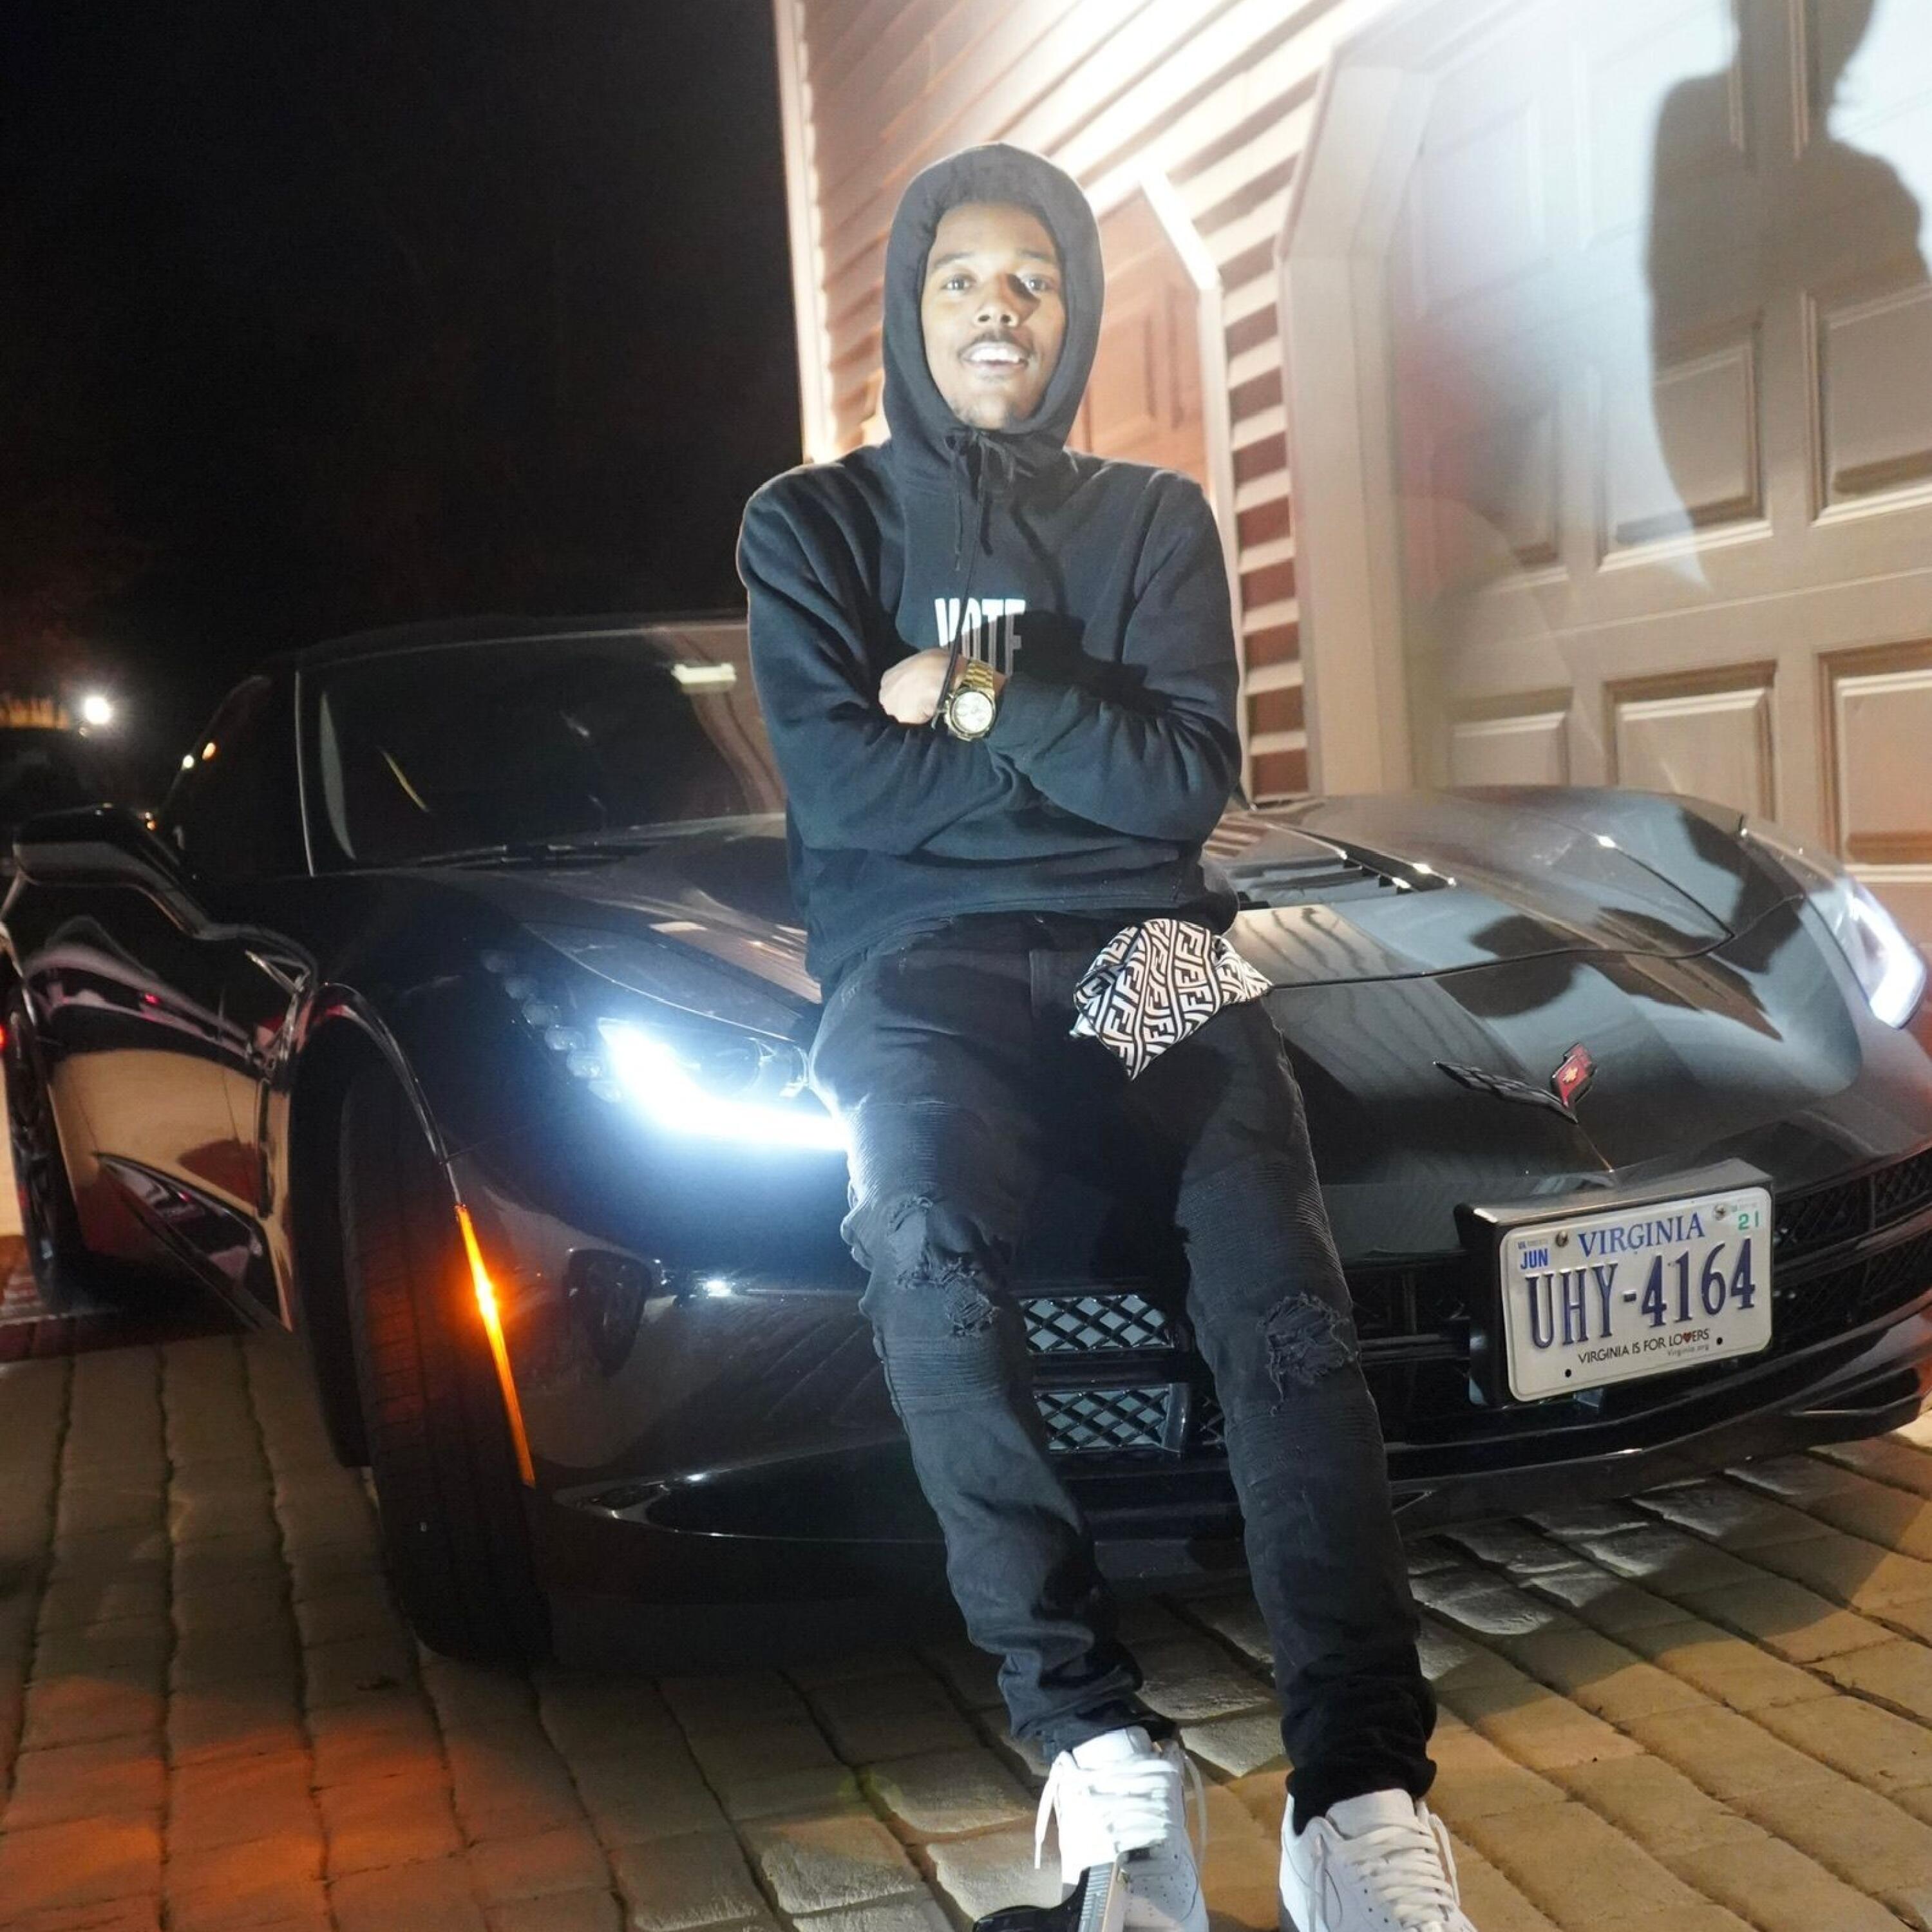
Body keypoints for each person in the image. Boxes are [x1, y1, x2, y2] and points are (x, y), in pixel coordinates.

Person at [740, 144, 1470, 1932]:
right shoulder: (810, 527)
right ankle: (1097, 1751)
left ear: (1072, 311)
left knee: (1275, 1279)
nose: (999, 310)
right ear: (911, 308)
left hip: (1152, 942)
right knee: (922, 1239)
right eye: (962, 280)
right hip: (919, 965)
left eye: (1034, 279)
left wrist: (969, 692)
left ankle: (1357, 1795)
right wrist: (1069, 753)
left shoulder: (1153, 520)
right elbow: (842, 790)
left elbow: (1180, 786)